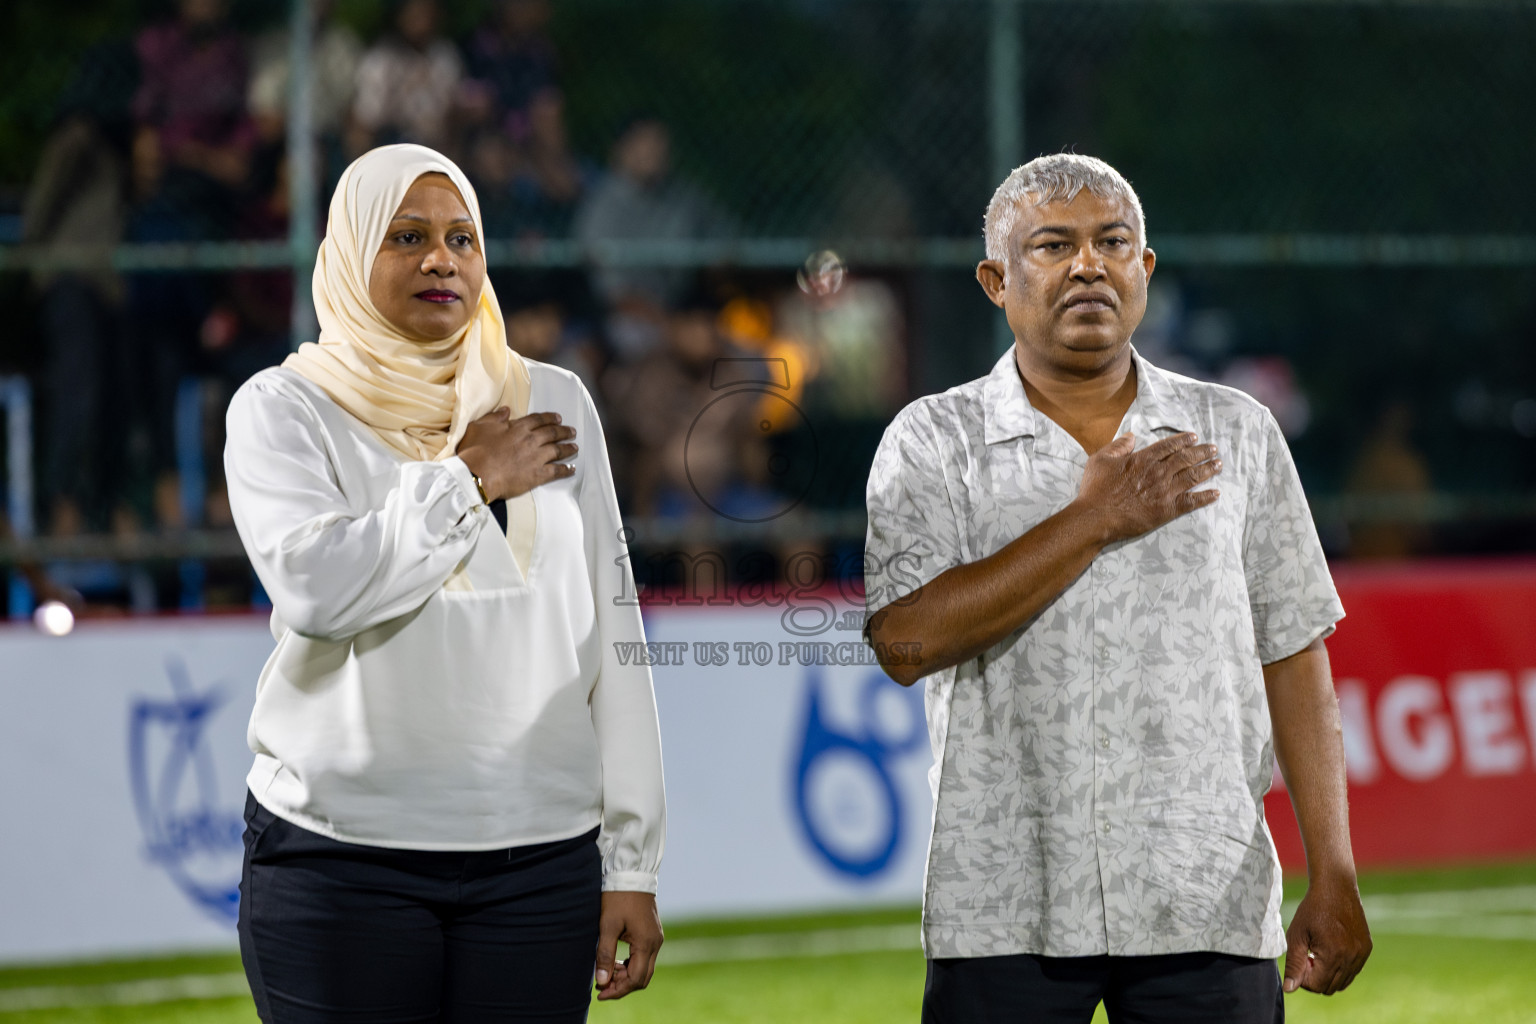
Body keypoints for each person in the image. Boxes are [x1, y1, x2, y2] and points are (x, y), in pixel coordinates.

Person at [862, 153, 1370, 1023]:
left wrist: (1337, 867)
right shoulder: (932, 440)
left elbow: (1292, 650)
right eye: (1053, 245)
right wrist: (1095, 519)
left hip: (1203, 895)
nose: (1087, 265)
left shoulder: (1237, 431)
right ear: (995, 279)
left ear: (1146, 269)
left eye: (1113, 242)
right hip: (1003, 905)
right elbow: (903, 644)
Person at [224, 144, 665, 1022]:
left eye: (464, 238)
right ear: (351, 254)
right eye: (407, 236)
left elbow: (614, 636)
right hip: (341, 861)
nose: (442, 259)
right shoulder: (284, 408)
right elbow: (316, 590)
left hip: (541, 865)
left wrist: (634, 863)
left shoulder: (556, 400)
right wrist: (468, 480)